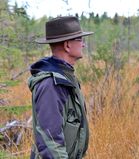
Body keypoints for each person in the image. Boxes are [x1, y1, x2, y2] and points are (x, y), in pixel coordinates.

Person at [28, 16, 93, 159]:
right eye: (80, 40)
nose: (83, 44)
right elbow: (50, 143)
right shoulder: (51, 84)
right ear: (67, 45)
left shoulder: (66, 77)